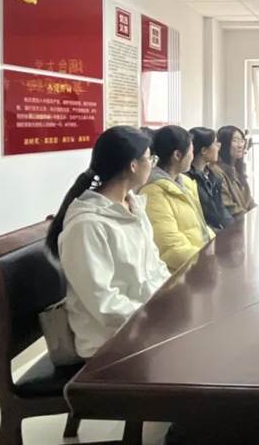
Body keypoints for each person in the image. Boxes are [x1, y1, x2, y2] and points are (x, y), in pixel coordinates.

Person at [46, 126, 170, 359]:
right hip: (109, 343)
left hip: (142, 325)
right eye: (150, 159)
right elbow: (104, 303)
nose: (153, 165)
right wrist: (152, 316)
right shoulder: (87, 225)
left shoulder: (132, 205)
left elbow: (154, 265)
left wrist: (170, 297)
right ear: (133, 165)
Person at [141, 125, 214, 271]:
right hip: (183, 273)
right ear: (177, 155)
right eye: (191, 151)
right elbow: (171, 249)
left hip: (200, 263)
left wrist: (216, 249)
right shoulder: (154, 192)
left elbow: (201, 227)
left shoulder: (185, 183)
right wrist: (207, 261)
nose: (193, 156)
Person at [184, 127, 234, 231]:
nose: (219, 147)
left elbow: (221, 210)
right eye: (215, 143)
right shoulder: (188, 180)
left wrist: (233, 229)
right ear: (204, 150)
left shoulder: (213, 176)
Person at [214, 125, 257, 218]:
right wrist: (251, 217)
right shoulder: (217, 172)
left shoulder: (237, 169)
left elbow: (249, 201)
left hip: (246, 220)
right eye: (235, 140)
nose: (240, 145)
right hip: (236, 224)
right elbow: (230, 209)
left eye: (241, 140)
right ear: (223, 144)